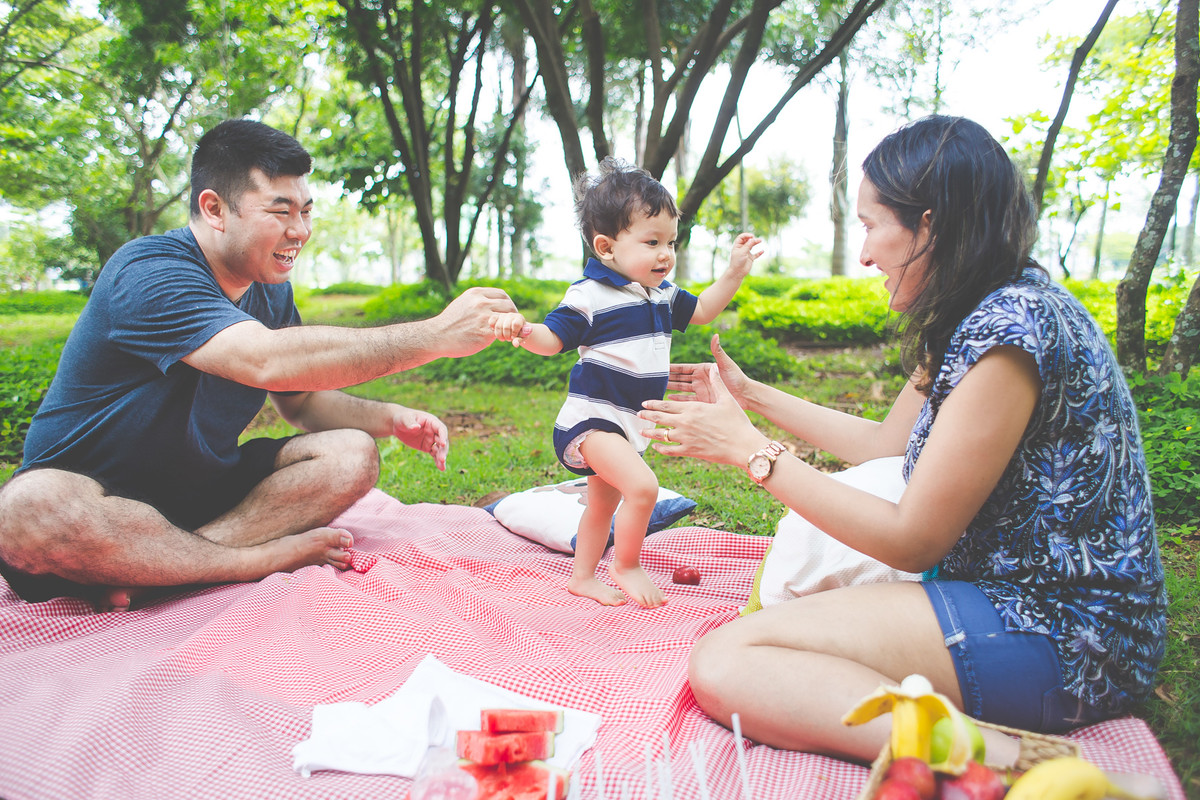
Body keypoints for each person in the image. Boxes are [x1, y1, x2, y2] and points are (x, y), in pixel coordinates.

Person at [637, 116, 1166, 763]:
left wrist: (753, 452)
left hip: (1068, 636)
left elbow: (914, 538)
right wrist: (750, 396)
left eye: (869, 224)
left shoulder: (1009, 333)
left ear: (929, 225)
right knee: (748, 645)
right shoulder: (976, 312)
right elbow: (885, 443)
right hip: (1001, 597)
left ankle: (1009, 762)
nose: (863, 254)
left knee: (729, 659)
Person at [0, 119, 517, 612]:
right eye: (280, 211)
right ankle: (247, 561)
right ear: (215, 209)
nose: (301, 230)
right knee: (27, 508)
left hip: (200, 497)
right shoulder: (148, 272)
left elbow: (302, 400)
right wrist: (435, 335)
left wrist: (389, 419)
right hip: (98, 499)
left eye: (307, 211)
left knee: (352, 454)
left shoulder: (270, 294)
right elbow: (265, 361)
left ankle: (153, 570)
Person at [490, 157, 762, 608]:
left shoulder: (662, 295)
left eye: (671, 242)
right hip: (592, 423)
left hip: (626, 423)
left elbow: (703, 312)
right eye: (651, 241)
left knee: (602, 504)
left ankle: (582, 577)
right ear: (606, 246)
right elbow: (553, 339)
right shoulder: (590, 295)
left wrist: (733, 272)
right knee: (643, 489)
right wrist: (521, 329)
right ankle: (626, 565)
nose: (665, 254)